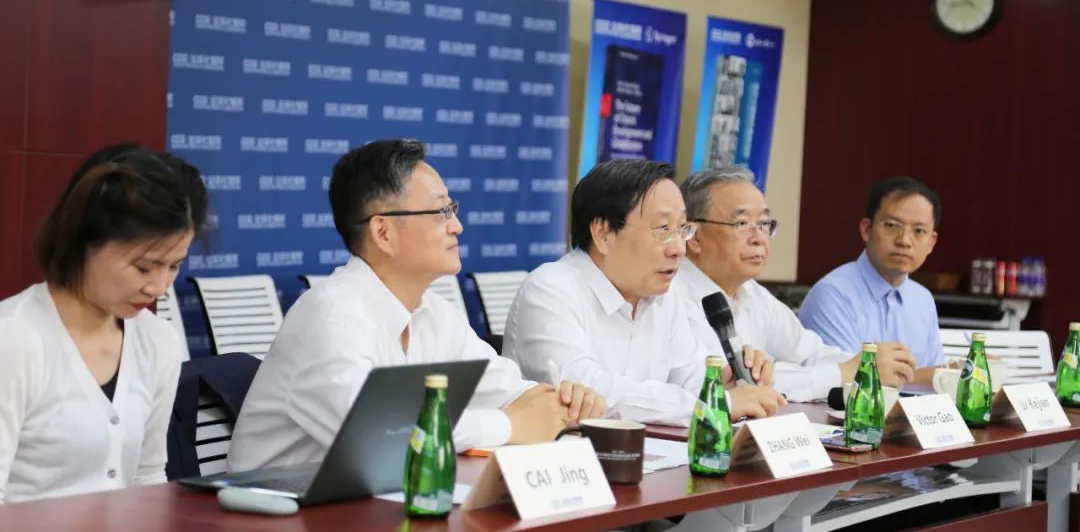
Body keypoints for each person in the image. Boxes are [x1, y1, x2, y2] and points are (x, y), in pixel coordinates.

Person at [228, 140, 605, 472]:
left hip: (372, 502)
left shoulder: (434, 312)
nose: (456, 225)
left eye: (453, 208)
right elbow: (376, 436)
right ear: (383, 232)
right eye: (441, 212)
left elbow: (505, 389)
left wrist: (560, 403)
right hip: (273, 512)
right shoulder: (330, 315)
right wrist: (507, 425)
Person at [502, 159, 786, 427]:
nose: (679, 249)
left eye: (682, 229)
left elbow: (690, 375)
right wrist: (715, 405)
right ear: (603, 233)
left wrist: (728, 382)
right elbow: (590, 392)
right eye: (664, 229)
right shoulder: (550, 289)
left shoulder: (664, 295)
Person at [0, 144, 207, 503]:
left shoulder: (158, 340)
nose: (158, 287)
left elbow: (148, 476)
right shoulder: (15, 339)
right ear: (84, 241)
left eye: (174, 266)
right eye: (144, 267)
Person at [674, 167, 917, 401]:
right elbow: (723, 384)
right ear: (694, 236)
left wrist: (867, 365)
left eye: (764, 224)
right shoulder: (670, 295)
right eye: (742, 223)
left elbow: (810, 353)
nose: (759, 238)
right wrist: (845, 372)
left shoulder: (753, 294)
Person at [799, 176, 945, 384]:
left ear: (931, 242)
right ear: (866, 229)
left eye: (919, 231)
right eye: (892, 225)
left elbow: (934, 382)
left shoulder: (923, 299)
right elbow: (850, 381)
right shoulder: (831, 295)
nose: (904, 240)